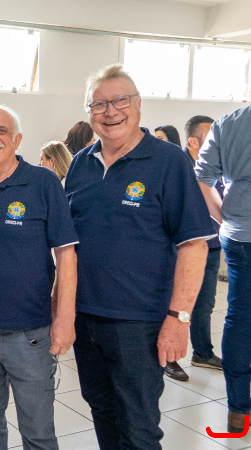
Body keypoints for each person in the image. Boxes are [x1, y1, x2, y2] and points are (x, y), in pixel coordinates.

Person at [65, 64, 214, 449]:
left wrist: (179, 319)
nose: (110, 111)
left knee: (138, 427)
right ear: (88, 112)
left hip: (138, 324)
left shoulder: (168, 161)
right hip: (85, 317)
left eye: (120, 100)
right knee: (101, 408)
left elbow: (194, 245)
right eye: (99, 104)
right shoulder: (80, 163)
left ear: (138, 104)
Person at [0, 105, 78, 450]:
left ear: (17, 139)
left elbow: (66, 253)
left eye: (2, 131)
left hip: (31, 335)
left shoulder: (42, 183)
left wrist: (65, 318)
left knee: (38, 433)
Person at [195, 105, 251, 433]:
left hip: (240, 236)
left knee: (240, 319)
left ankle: (238, 410)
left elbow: (202, 178)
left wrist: (225, 219)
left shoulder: (228, 123)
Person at [160, 116, 224, 383]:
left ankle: (203, 352)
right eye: (210, 137)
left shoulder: (216, 166)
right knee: (176, 305)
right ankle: (168, 357)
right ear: (193, 141)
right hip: (183, 250)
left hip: (212, 246)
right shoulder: (178, 167)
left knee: (205, 304)